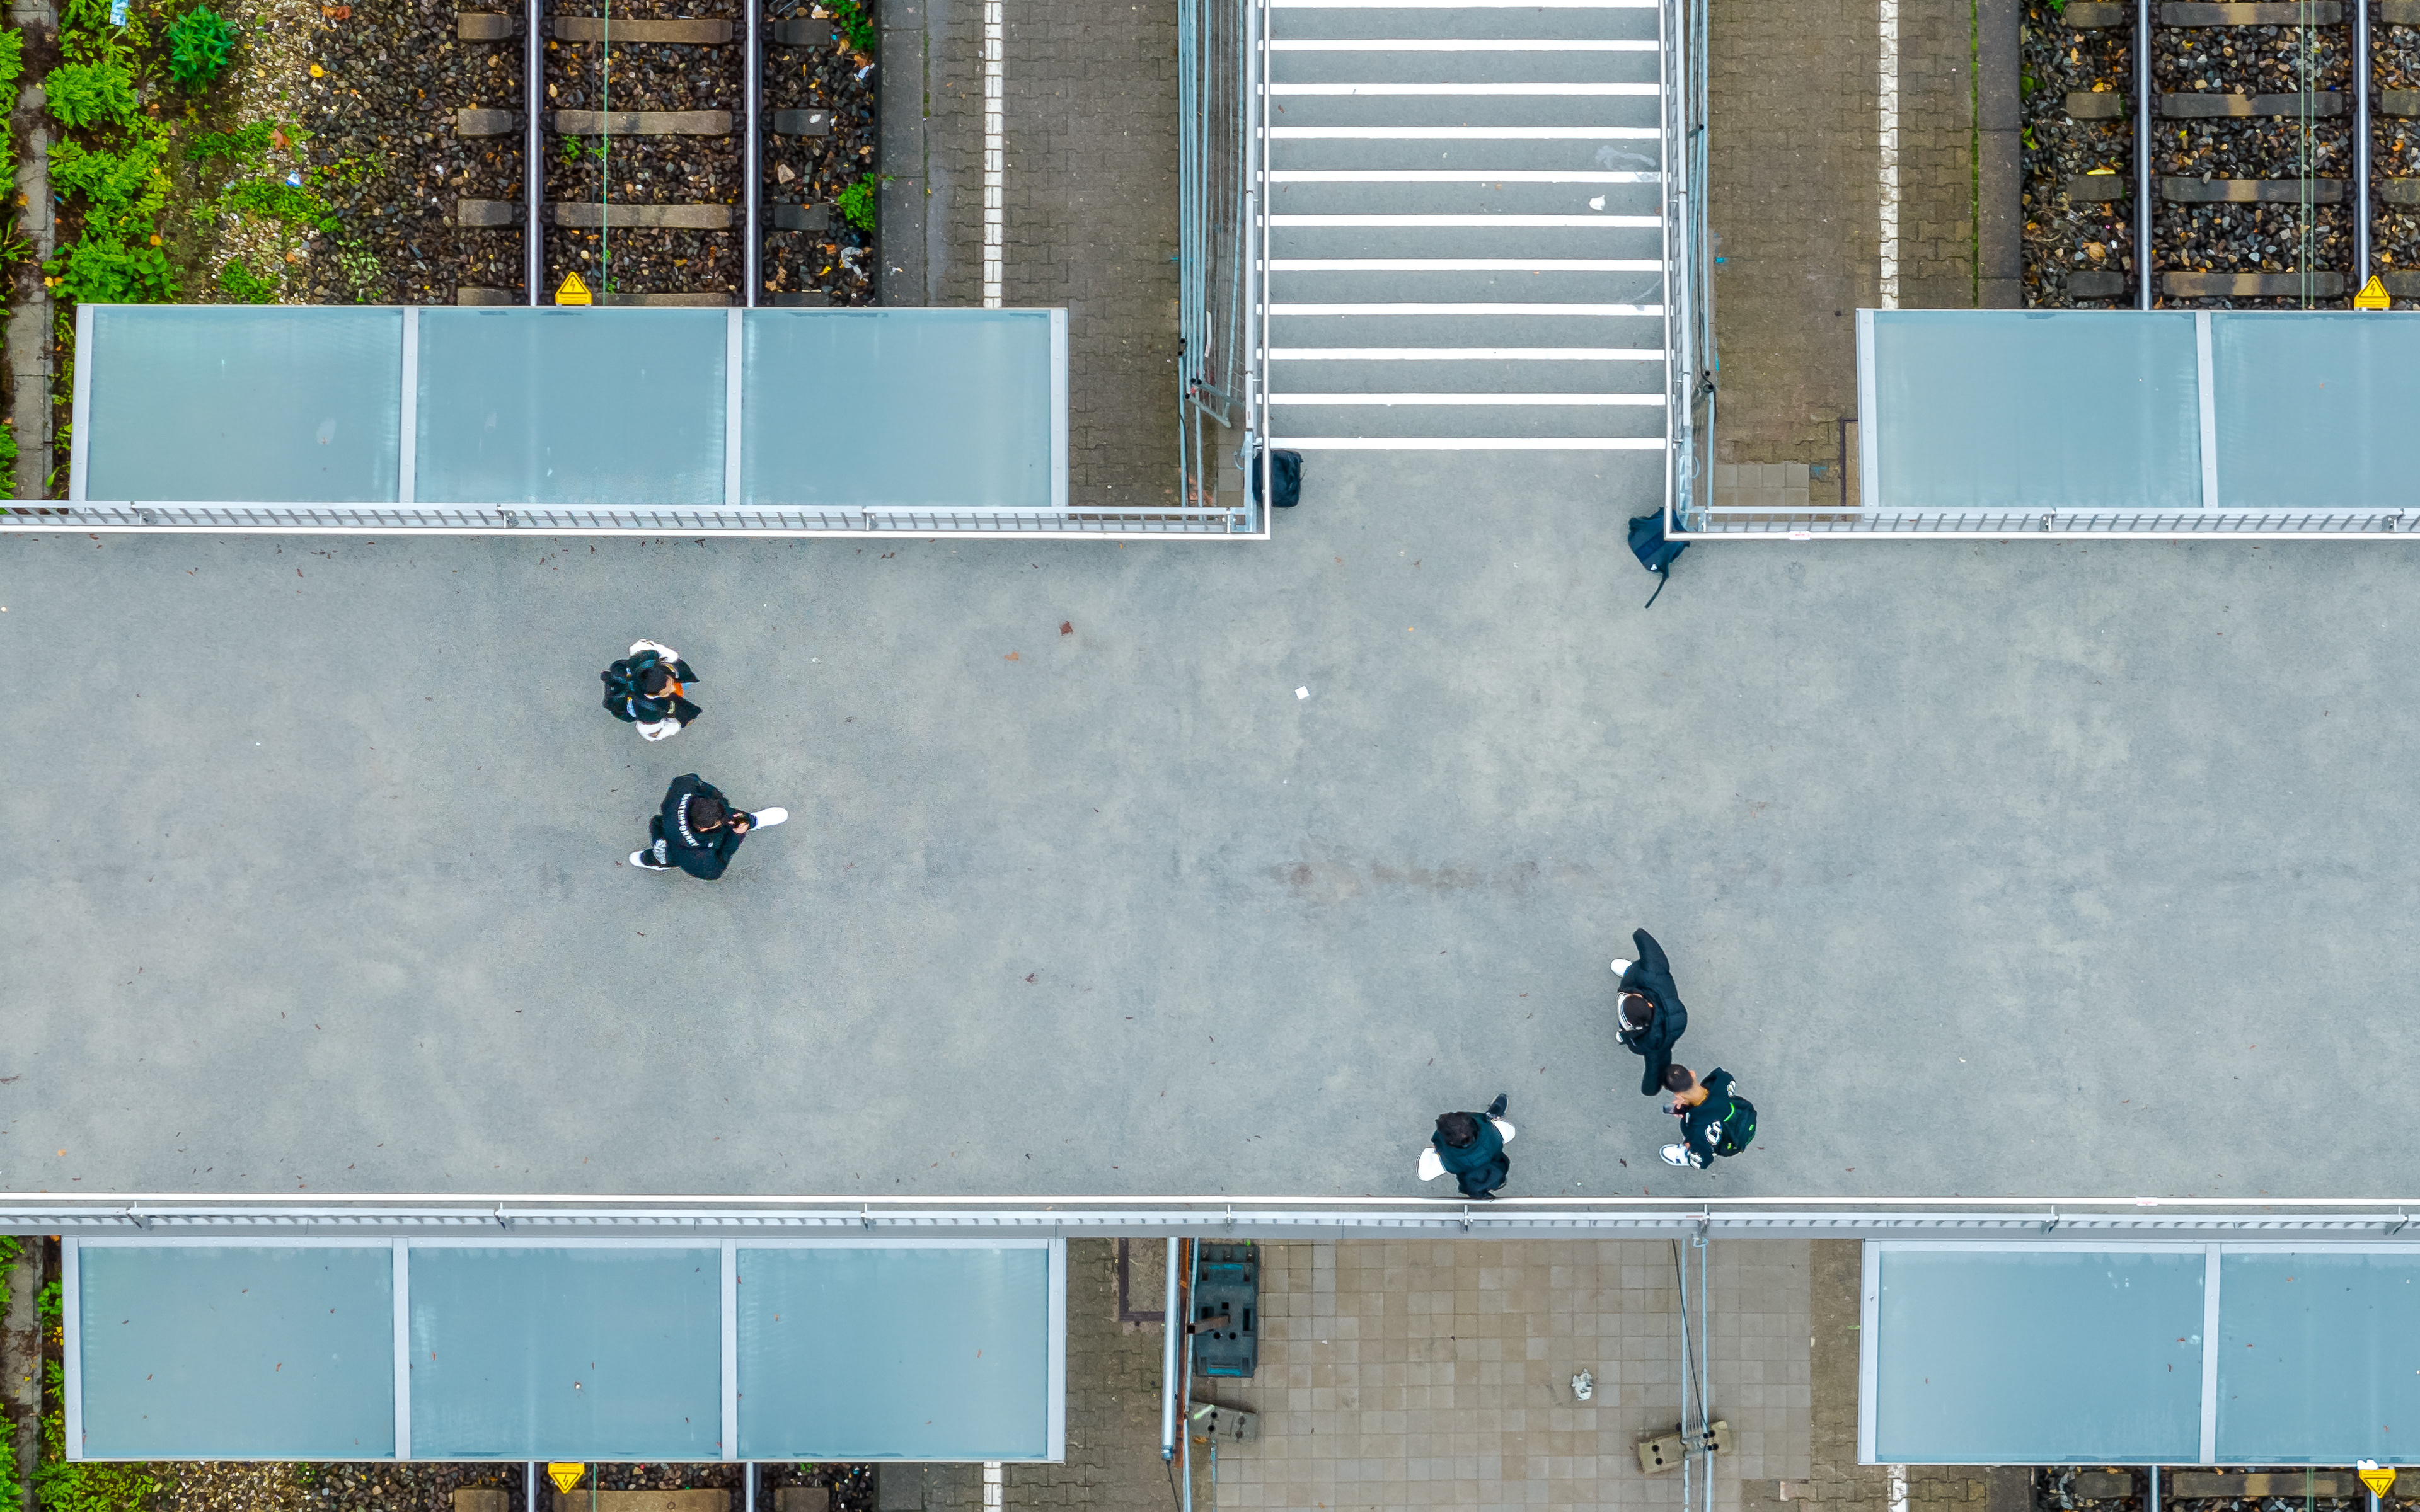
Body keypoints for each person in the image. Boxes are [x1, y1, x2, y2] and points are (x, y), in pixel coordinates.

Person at [630, 773, 786, 878]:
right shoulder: (696, 853)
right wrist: (736, 836)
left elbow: (689, 779)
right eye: (720, 822)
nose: (727, 821)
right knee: (666, 855)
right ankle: (653, 860)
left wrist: (717, 799)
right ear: (703, 829)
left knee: (731, 816)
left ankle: (752, 821)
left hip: (663, 823)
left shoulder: (684, 791)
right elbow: (714, 872)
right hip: (678, 847)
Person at [1609, 927, 1688, 1097]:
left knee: (1628, 1036)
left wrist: (1651, 1087)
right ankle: (1629, 970)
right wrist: (1640, 935)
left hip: (1636, 1029)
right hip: (1640, 977)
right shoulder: (1652, 974)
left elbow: (1656, 1065)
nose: (1627, 993)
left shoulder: (1654, 1044)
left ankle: (1624, 1036)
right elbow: (1654, 955)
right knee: (1636, 972)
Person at [601, 638, 703, 741]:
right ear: (653, 695)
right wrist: (675, 725)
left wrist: (670, 656)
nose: (673, 688)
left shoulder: (646, 658)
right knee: (684, 711)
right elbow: (652, 734)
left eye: (671, 682)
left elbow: (642, 646)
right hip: (640, 706)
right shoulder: (649, 713)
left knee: (684, 685)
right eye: (667, 691)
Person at [1659, 1065, 1756, 1170]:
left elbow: (1704, 1161)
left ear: (1678, 1096)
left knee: (1697, 1141)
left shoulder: (1695, 1128)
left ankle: (1688, 1152)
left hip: (1729, 1143)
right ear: (1692, 1073)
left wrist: (1694, 1146)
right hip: (1741, 1115)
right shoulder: (1721, 1077)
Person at [1419, 1094, 1514, 1198]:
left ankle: (1481, 1195)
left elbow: (1424, 1175)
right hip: (1497, 1168)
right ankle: (1492, 1117)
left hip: (1472, 1181)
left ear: (1451, 1143)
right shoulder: (1496, 1133)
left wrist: (1435, 1151)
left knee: (1475, 1188)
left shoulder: (1447, 1159)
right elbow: (1510, 1132)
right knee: (1490, 1122)